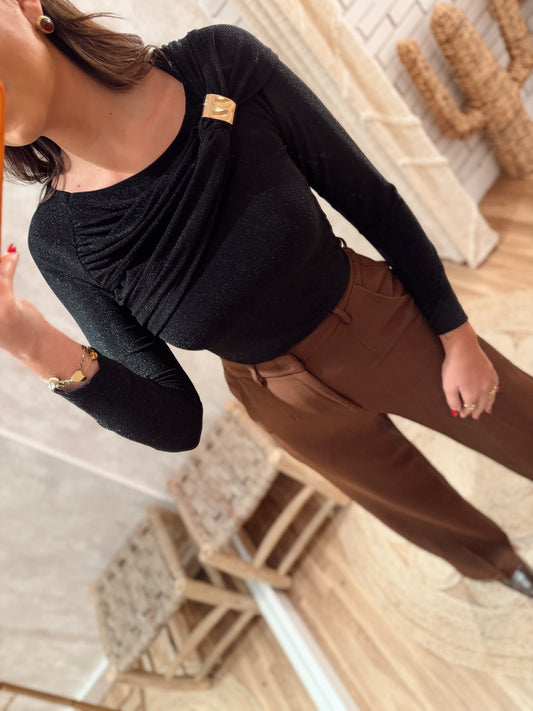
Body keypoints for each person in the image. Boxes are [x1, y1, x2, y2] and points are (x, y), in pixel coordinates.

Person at [1, 0, 532, 598]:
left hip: (371, 318)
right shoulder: (62, 241)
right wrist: (28, 339)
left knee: (520, 420)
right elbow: (176, 422)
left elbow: (369, 199)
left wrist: (457, 334)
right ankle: (499, 566)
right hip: (278, 400)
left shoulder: (218, 64)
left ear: (28, 6)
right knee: (412, 506)